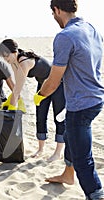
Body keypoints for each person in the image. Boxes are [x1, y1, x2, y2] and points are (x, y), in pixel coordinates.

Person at [34, 0, 104, 199]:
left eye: (53, 13)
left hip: (81, 105)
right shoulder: (90, 28)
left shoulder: (64, 36)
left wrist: (39, 96)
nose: (54, 18)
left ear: (56, 10)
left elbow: (53, 81)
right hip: (97, 98)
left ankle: (96, 194)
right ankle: (67, 174)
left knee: (83, 159)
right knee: (70, 137)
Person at [0, 39, 65, 162]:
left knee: (58, 117)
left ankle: (58, 152)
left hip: (58, 84)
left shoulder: (24, 63)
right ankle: (40, 149)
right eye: (3, 57)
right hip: (43, 86)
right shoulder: (14, 61)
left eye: (6, 55)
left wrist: (11, 108)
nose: (5, 59)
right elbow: (17, 86)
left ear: (14, 51)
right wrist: (11, 101)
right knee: (40, 115)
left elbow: (17, 90)